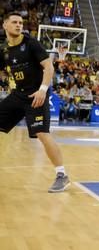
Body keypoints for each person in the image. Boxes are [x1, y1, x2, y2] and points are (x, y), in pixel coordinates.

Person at [0, 12, 70, 192]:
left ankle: (62, 175)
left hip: (36, 95)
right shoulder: (5, 50)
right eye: (14, 22)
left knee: (42, 134)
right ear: (5, 25)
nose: (18, 25)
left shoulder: (31, 44)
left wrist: (43, 90)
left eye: (20, 22)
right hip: (17, 95)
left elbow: (49, 67)